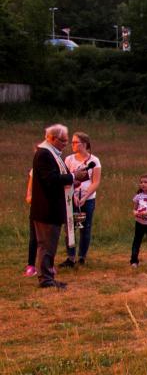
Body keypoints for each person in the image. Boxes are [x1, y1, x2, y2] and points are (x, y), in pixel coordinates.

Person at [30, 124, 89, 289]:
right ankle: (46, 279)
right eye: (62, 140)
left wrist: (72, 181)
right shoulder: (44, 154)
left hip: (52, 207)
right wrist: (72, 176)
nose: (66, 143)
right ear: (51, 138)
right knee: (46, 245)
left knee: (50, 245)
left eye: (66, 140)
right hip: (47, 209)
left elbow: (56, 179)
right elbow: (51, 180)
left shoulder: (51, 154)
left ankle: (48, 276)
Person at [59, 132, 101, 268]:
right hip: (71, 198)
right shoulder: (69, 160)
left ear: (84, 144)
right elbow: (65, 179)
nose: (72, 145)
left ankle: (82, 256)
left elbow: (96, 182)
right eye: (72, 142)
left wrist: (85, 197)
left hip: (87, 199)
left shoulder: (94, 160)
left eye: (75, 142)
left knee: (85, 227)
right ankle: (70, 257)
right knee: (70, 227)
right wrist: (73, 195)